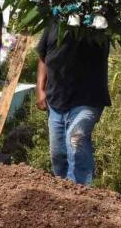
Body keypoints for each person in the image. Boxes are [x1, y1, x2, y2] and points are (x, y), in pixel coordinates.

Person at [36, 22, 111, 185]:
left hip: (87, 99)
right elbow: (43, 56)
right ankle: (64, 195)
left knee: (76, 141)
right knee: (58, 154)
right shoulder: (54, 23)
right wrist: (40, 88)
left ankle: (80, 192)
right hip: (56, 99)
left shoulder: (99, 23)